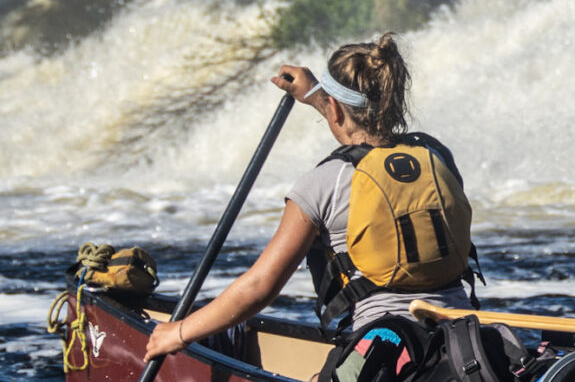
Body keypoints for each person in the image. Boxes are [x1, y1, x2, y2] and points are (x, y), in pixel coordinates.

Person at [143, 33, 473, 364]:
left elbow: (260, 287)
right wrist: (319, 96)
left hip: (382, 348)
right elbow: (370, 137)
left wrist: (179, 332)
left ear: (334, 109)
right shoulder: (436, 157)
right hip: (464, 341)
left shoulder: (325, 182)